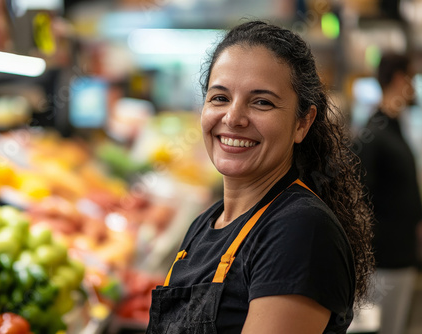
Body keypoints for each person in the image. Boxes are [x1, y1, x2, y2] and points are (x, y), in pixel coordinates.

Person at [146, 20, 374, 334]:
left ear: (302, 124)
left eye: (262, 102)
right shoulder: (203, 225)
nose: (233, 118)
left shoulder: (300, 231)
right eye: (220, 98)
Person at [355, 53, 422, 334]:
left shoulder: (393, 128)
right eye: (411, 78)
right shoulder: (375, 133)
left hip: (400, 258)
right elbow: (359, 197)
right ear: (400, 79)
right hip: (382, 264)